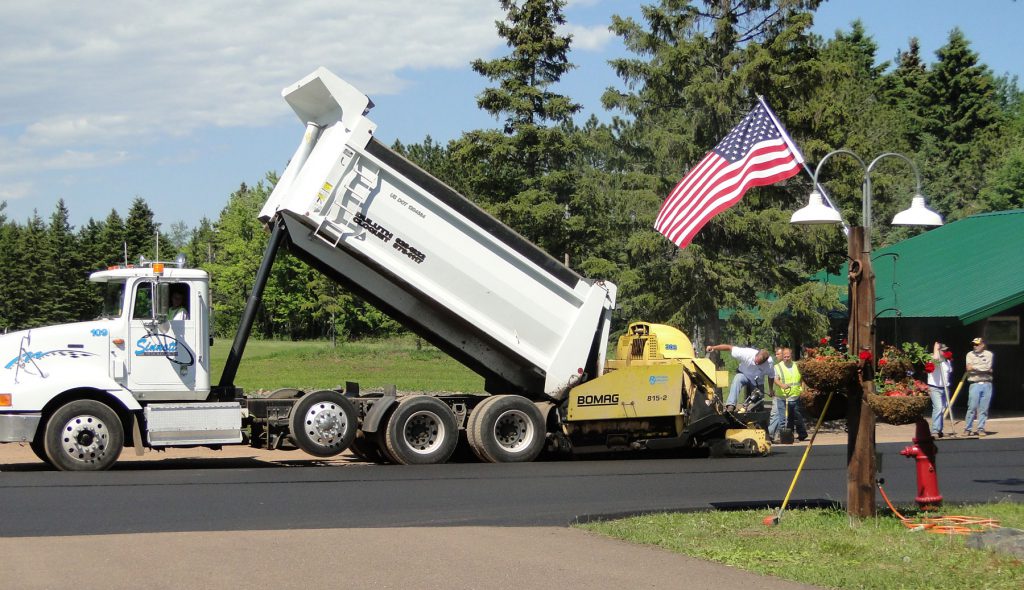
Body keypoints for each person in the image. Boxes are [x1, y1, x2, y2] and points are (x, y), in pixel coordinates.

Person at [705, 343, 774, 411]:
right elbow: (729, 347)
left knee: (759, 405)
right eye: (756, 361)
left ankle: (757, 414)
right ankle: (730, 405)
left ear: (765, 361)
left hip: (757, 382)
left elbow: (771, 376)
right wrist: (713, 347)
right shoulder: (747, 353)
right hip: (744, 375)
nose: (756, 364)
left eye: (759, 363)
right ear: (756, 355)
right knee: (738, 378)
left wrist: (771, 389)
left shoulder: (769, 363)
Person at [770, 347, 808, 442]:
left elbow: (802, 378)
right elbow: (775, 379)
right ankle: (783, 436)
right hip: (782, 396)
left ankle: (798, 434)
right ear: (782, 356)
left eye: (788, 356)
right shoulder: (777, 367)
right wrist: (782, 385)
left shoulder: (797, 365)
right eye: (785, 356)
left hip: (795, 395)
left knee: (795, 416)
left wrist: (803, 389)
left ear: (791, 356)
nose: (786, 358)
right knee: (783, 418)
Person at [963, 337, 994, 437]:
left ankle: (981, 428)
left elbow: (988, 367)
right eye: (974, 344)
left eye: (977, 344)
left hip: (987, 384)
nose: (975, 346)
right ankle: (968, 429)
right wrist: (984, 369)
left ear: (982, 344)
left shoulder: (989, 354)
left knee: (983, 409)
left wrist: (975, 368)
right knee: (971, 407)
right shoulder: (970, 354)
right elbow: (968, 369)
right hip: (974, 384)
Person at [926, 342, 953, 438]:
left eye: (946, 350)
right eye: (943, 350)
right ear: (939, 351)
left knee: (942, 409)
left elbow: (948, 373)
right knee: (938, 408)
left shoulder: (947, 361)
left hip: (945, 388)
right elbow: (935, 360)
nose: (945, 352)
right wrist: (935, 349)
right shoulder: (933, 359)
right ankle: (935, 430)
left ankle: (939, 430)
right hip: (934, 387)